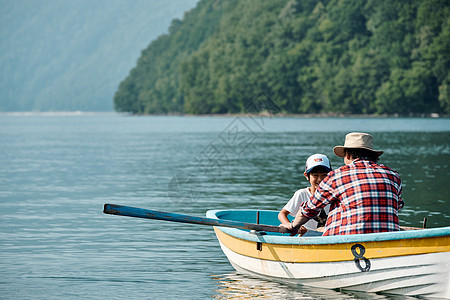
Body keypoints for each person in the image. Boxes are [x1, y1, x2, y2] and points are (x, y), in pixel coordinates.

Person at [282, 132, 404, 236]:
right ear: (372, 156)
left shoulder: (337, 176)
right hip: (388, 239)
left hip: (347, 240)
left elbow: (310, 209)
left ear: (348, 155)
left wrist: (293, 226)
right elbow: (397, 206)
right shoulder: (394, 176)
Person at [278, 154, 332, 235]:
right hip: (305, 236)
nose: (320, 179)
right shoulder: (302, 194)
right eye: (315, 175)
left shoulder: (334, 194)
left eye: (324, 175)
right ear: (306, 175)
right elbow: (282, 213)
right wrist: (289, 225)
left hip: (328, 235)